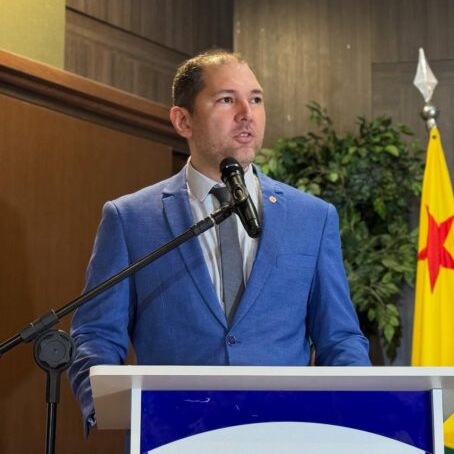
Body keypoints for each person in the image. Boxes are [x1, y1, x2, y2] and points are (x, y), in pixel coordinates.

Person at [68, 49, 370, 431]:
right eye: (227, 100)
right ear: (183, 120)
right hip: (172, 433)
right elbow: (96, 333)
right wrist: (106, 405)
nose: (247, 114)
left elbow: (339, 339)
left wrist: (362, 413)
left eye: (256, 99)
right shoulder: (130, 219)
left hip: (285, 432)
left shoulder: (313, 218)